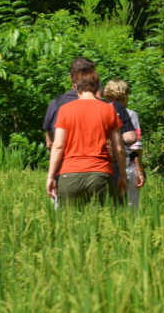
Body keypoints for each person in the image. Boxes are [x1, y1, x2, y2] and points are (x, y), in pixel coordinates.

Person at [45, 69, 128, 205]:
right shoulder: (108, 109)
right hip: (100, 174)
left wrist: (51, 176)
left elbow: (58, 146)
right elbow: (118, 148)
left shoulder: (65, 110)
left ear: (76, 87)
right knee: (103, 223)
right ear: (97, 87)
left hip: (69, 174)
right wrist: (123, 176)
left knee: (70, 224)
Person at [102, 79, 146, 208]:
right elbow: (135, 146)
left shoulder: (101, 111)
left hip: (104, 165)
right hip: (126, 165)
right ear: (124, 94)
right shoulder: (131, 115)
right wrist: (139, 169)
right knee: (130, 207)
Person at [43, 56, 95, 149]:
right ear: (93, 78)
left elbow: (49, 142)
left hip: (64, 159)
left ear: (70, 77)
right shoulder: (102, 105)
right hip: (94, 159)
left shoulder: (56, 103)